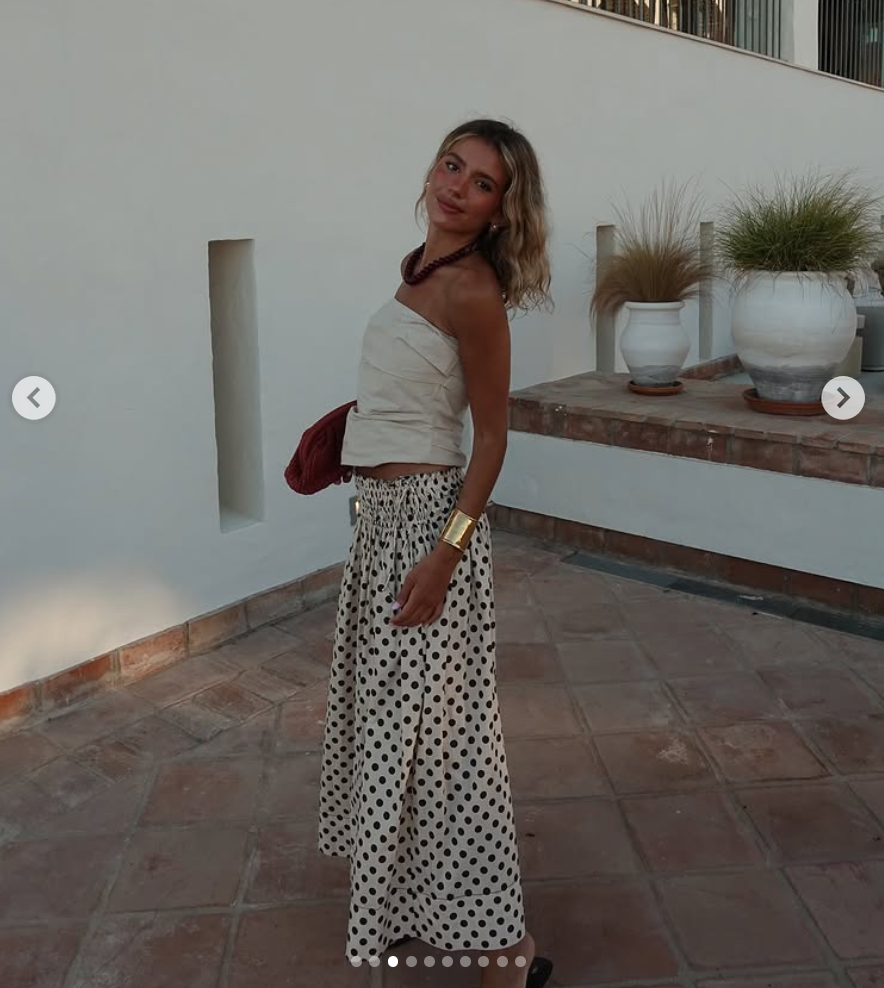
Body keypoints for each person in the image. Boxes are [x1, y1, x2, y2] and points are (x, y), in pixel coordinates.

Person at [317, 117, 553, 988]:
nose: (457, 186)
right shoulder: (419, 269)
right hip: (383, 525)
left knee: (451, 753)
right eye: (452, 165)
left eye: (482, 182)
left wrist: (445, 556)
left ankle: (505, 958)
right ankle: (424, 908)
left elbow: (491, 439)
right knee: (397, 739)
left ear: (500, 209)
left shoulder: (472, 291)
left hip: (429, 530)